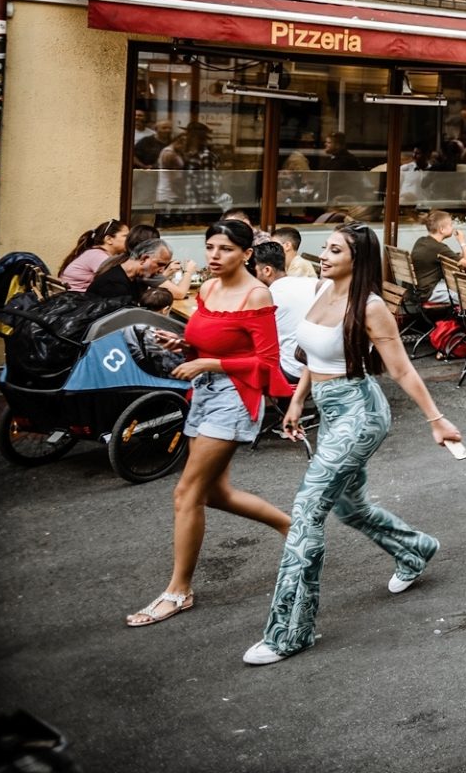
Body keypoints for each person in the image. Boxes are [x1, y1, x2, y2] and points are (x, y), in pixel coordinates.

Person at [241, 224, 458, 665]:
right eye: (325, 247)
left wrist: (437, 420)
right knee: (349, 506)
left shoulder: (372, 307)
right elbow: (312, 357)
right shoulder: (322, 289)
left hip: (360, 413)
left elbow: (401, 370)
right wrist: (298, 401)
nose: (324, 255)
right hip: (330, 407)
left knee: (307, 511)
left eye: (335, 250)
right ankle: (414, 549)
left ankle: (290, 631)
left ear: (357, 260)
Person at [125, 220, 294, 629]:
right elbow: (207, 338)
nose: (215, 256)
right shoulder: (209, 288)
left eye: (226, 249)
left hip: (236, 397)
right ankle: (295, 529)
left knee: (187, 493)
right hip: (204, 390)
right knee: (215, 493)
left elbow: (268, 364)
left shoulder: (256, 295)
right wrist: (184, 344)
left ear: (247, 254)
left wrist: (209, 361)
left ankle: (178, 591)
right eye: (210, 247)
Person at [250, 240, 317, 386]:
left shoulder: (267, 296)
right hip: (320, 366)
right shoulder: (309, 283)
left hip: (292, 370)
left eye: (252, 270)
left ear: (267, 270)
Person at [88, 237, 182, 307]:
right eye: (160, 264)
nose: (161, 270)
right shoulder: (113, 285)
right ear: (144, 258)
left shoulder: (133, 278)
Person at [60, 218, 130, 290]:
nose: (130, 239)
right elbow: (116, 280)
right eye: (125, 236)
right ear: (109, 239)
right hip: (78, 298)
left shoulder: (94, 252)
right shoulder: (98, 256)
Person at [408, 210, 462, 303]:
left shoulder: (421, 241)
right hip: (427, 293)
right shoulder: (439, 248)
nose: (453, 228)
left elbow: (440, 255)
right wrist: (462, 241)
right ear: (441, 229)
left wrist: (459, 255)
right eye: (450, 225)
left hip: (415, 290)